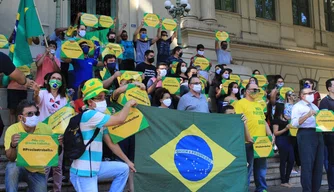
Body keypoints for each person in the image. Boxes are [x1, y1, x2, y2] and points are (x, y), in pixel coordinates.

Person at [70, 78, 136, 192]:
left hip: (95, 167)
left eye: (103, 97)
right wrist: (128, 104)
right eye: (99, 98)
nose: (103, 100)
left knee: (123, 169)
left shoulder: (98, 117)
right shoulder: (90, 115)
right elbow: (120, 119)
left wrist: (128, 161)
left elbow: (110, 143)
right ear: (90, 102)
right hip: (83, 173)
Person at [4, 100, 63, 192]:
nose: (34, 116)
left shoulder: (45, 128)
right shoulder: (12, 130)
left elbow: (56, 153)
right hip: (19, 166)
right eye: (30, 114)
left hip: (37, 170)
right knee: (12, 167)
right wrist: (12, 145)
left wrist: (59, 145)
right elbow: (10, 158)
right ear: (20, 117)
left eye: (36, 113)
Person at [234, 83, 274, 192]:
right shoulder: (240, 103)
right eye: (253, 89)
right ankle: (244, 189)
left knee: (261, 168)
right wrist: (247, 137)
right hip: (248, 141)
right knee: (247, 169)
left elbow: (264, 121)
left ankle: (261, 189)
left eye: (257, 90)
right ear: (246, 91)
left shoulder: (258, 104)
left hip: (261, 142)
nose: (256, 92)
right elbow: (240, 122)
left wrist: (270, 135)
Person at [31, 72, 68, 192]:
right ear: (48, 80)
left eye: (58, 78)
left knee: (57, 167)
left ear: (62, 82)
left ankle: (57, 190)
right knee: (45, 167)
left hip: (58, 135)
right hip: (44, 134)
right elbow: (36, 100)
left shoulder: (64, 98)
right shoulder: (42, 93)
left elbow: (66, 117)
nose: (56, 80)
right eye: (53, 78)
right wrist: (36, 92)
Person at [291, 87, 323, 192]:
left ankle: (315, 189)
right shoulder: (297, 106)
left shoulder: (314, 106)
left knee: (318, 165)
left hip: (318, 133)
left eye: (312, 93)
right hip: (305, 133)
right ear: (302, 95)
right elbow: (294, 123)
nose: (311, 95)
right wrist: (307, 115)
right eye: (308, 93)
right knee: (307, 164)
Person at [272, 104, 294, 188]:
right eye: (284, 108)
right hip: (281, 140)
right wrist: (286, 128)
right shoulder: (276, 120)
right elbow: (275, 132)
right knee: (283, 160)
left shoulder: (285, 118)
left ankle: (287, 179)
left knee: (291, 159)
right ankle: (283, 180)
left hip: (288, 139)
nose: (285, 109)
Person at [319, 78, 334, 192]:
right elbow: (323, 120)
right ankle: (332, 187)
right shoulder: (325, 101)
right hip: (330, 136)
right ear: (329, 88)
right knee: (332, 162)